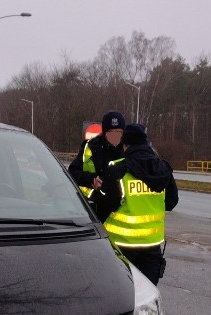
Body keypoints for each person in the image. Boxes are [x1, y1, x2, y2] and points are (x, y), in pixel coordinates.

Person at [99, 123, 178, 285]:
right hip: (152, 247)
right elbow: (171, 202)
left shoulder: (118, 168)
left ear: (126, 144)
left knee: (122, 297)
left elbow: (105, 206)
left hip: (122, 247)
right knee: (146, 298)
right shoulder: (162, 168)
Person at [68, 110, 125, 220]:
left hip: (120, 211)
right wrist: (92, 179)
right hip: (93, 208)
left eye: (119, 132)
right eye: (110, 132)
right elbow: (73, 172)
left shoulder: (128, 148)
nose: (115, 136)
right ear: (104, 132)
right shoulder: (91, 146)